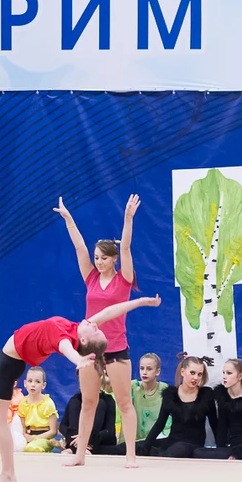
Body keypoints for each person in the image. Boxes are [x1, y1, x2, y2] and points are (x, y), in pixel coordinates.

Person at [0, 297, 162, 482]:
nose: (95, 323)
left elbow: (67, 349)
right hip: (5, 355)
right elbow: (108, 312)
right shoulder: (77, 327)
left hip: (10, 363)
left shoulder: (67, 338)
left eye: (95, 329)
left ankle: (8, 474)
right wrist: (140, 302)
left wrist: (79, 361)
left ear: (84, 340)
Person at [56, 194, 143, 463]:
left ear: (113, 259)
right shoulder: (91, 277)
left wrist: (128, 218)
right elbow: (79, 247)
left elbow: (126, 247)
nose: (98, 261)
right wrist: (69, 219)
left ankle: (130, 455)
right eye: (97, 258)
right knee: (88, 402)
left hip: (117, 348)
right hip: (90, 350)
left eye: (104, 258)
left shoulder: (124, 279)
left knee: (124, 402)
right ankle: (80, 454)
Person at [142, 356, 217, 459]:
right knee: (132, 446)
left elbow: (215, 424)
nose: (196, 378)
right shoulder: (171, 395)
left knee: (178, 449)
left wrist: (221, 449)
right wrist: (144, 447)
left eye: (199, 374)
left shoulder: (206, 395)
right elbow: (160, 424)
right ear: (182, 372)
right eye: (192, 373)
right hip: (172, 441)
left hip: (193, 445)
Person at [63, 373, 119, 457]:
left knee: (100, 404)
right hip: (76, 444)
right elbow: (63, 426)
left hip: (99, 443)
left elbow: (109, 431)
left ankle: (81, 447)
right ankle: (77, 448)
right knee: (75, 403)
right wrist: (76, 440)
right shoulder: (75, 400)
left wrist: (87, 439)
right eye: (82, 382)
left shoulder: (107, 400)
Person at [16, 367, 59, 453]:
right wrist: (25, 437)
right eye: (30, 381)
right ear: (25, 383)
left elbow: (53, 431)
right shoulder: (23, 403)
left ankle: (46, 449)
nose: (33, 385)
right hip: (29, 435)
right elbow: (23, 428)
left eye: (37, 382)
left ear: (43, 385)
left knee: (31, 448)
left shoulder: (48, 403)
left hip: (45, 437)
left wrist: (34, 438)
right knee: (14, 447)